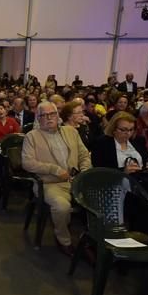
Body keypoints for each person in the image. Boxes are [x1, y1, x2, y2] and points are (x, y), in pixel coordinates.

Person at [22, 101, 92, 257]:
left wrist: (85, 172)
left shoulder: (71, 132)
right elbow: (27, 163)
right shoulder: (32, 137)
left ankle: (91, 242)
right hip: (49, 184)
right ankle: (64, 240)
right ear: (38, 118)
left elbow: (84, 155)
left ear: (58, 115)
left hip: (76, 181)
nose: (48, 118)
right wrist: (54, 169)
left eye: (52, 114)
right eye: (43, 115)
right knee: (62, 207)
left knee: (98, 201)